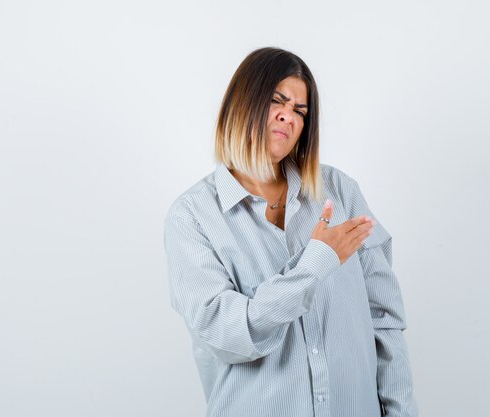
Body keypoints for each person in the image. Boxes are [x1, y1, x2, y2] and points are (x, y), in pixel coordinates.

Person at [163, 47, 417, 417]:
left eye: (300, 111)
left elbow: (385, 321)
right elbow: (226, 337)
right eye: (276, 100)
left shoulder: (341, 192)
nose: (289, 116)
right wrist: (314, 265)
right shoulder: (192, 218)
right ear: (241, 102)